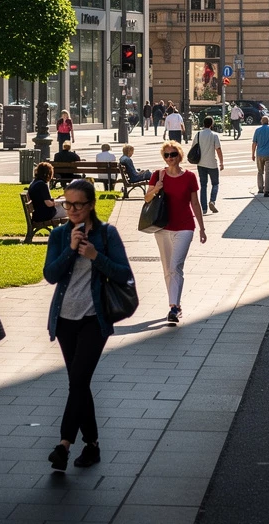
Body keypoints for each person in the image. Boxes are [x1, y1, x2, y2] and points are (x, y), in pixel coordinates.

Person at [43, 178, 133, 471]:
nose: (71, 210)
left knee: (79, 381)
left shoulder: (107, 234)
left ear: (91, 205)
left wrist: (96, 256)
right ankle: (92, 445)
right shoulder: (59, 235)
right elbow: (50, 275)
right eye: (67, 204)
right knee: (78, 384)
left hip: (95, 318)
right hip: (65, 319)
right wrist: (70, 250)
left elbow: (123, 274)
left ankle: (63, 445)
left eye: (78, 204)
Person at [145, 142, 206, 324]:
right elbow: (147, 198)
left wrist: (202, 228)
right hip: (162, 227)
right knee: (167, 269)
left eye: (173, 154)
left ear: (179, 155)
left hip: (185, 226)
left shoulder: (189, 177)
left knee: (175, 266)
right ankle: (175, 306)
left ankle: (173, 307)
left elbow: (195, 203)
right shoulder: (158, 175)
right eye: (166, 155)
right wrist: (157, 187)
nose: (170, 158)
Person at [194, 115, 224, 214]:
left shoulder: (198, 134)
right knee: (215, 184)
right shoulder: (214, 135)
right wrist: (221, 162)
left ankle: (204, 208)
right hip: (212, 163)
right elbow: (218, 149)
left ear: (203, 124)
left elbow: (193, 147)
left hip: (201, 163)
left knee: (203, 185)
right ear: (211, 124)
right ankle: (212, 201)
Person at [251, 114, 269, 197]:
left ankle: (260, 188)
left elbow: (254, 143)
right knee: (268, 172)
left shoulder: (257, 130)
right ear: (268, 122)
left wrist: (253, 154)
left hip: (260, 154)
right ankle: (267, 191)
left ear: (261, 122)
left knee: (260, 171)